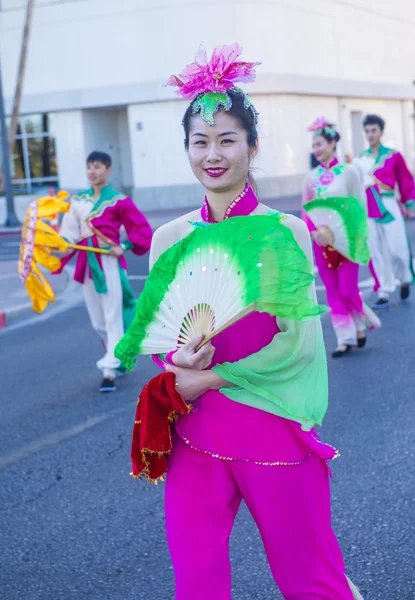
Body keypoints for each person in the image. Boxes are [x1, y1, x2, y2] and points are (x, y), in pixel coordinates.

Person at [127, 44, 363, 600]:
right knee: (197, 583)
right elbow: (167, 335)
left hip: (270, 424)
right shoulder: (170, 238)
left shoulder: (285, 231)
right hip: (196, 435)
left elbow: (300, 346)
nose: (213, 154)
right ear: (186, 148)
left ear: (252, 147)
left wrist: (207, 377)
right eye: (200, 141)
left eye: (227, 140)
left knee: (311, 581)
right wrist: (177, 362)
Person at [56, 151, 152, 392]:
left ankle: (108, 372)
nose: (92, 171)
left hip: (109, 264)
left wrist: (124, 246)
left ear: (108, 170)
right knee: (98, 321)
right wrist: (57, 242)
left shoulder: (119, 200)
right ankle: (116, 353)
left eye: (97, 167)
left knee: (112, 317)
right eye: (89, 167)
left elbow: (141, 229)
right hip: (87, 264)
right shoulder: (78, 201)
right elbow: (69, 233)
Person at [302, 117, 370, 358]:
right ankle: (344, 338)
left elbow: (358, 205)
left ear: (332, 143)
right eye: (314, 145)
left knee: (348, 288)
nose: (316, 149)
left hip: (346, 241)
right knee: (332, 291)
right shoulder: (310, 177)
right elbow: (306, 208)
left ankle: (360, 325)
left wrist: (358, 235)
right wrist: (313, 231)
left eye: (320, 143)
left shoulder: (348, 172)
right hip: (321, 243)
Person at [354, 114, 415, 308]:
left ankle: (405, 278)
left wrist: (410, 204)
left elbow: (405, 180)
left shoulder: (393, 156)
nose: (370, 134)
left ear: (381, 132)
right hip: (368, 207)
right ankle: (384, 291)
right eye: (367, 131)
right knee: (376, 250)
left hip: (388, 204)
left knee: (398, 248)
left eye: (374, 131)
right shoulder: (360, 159)